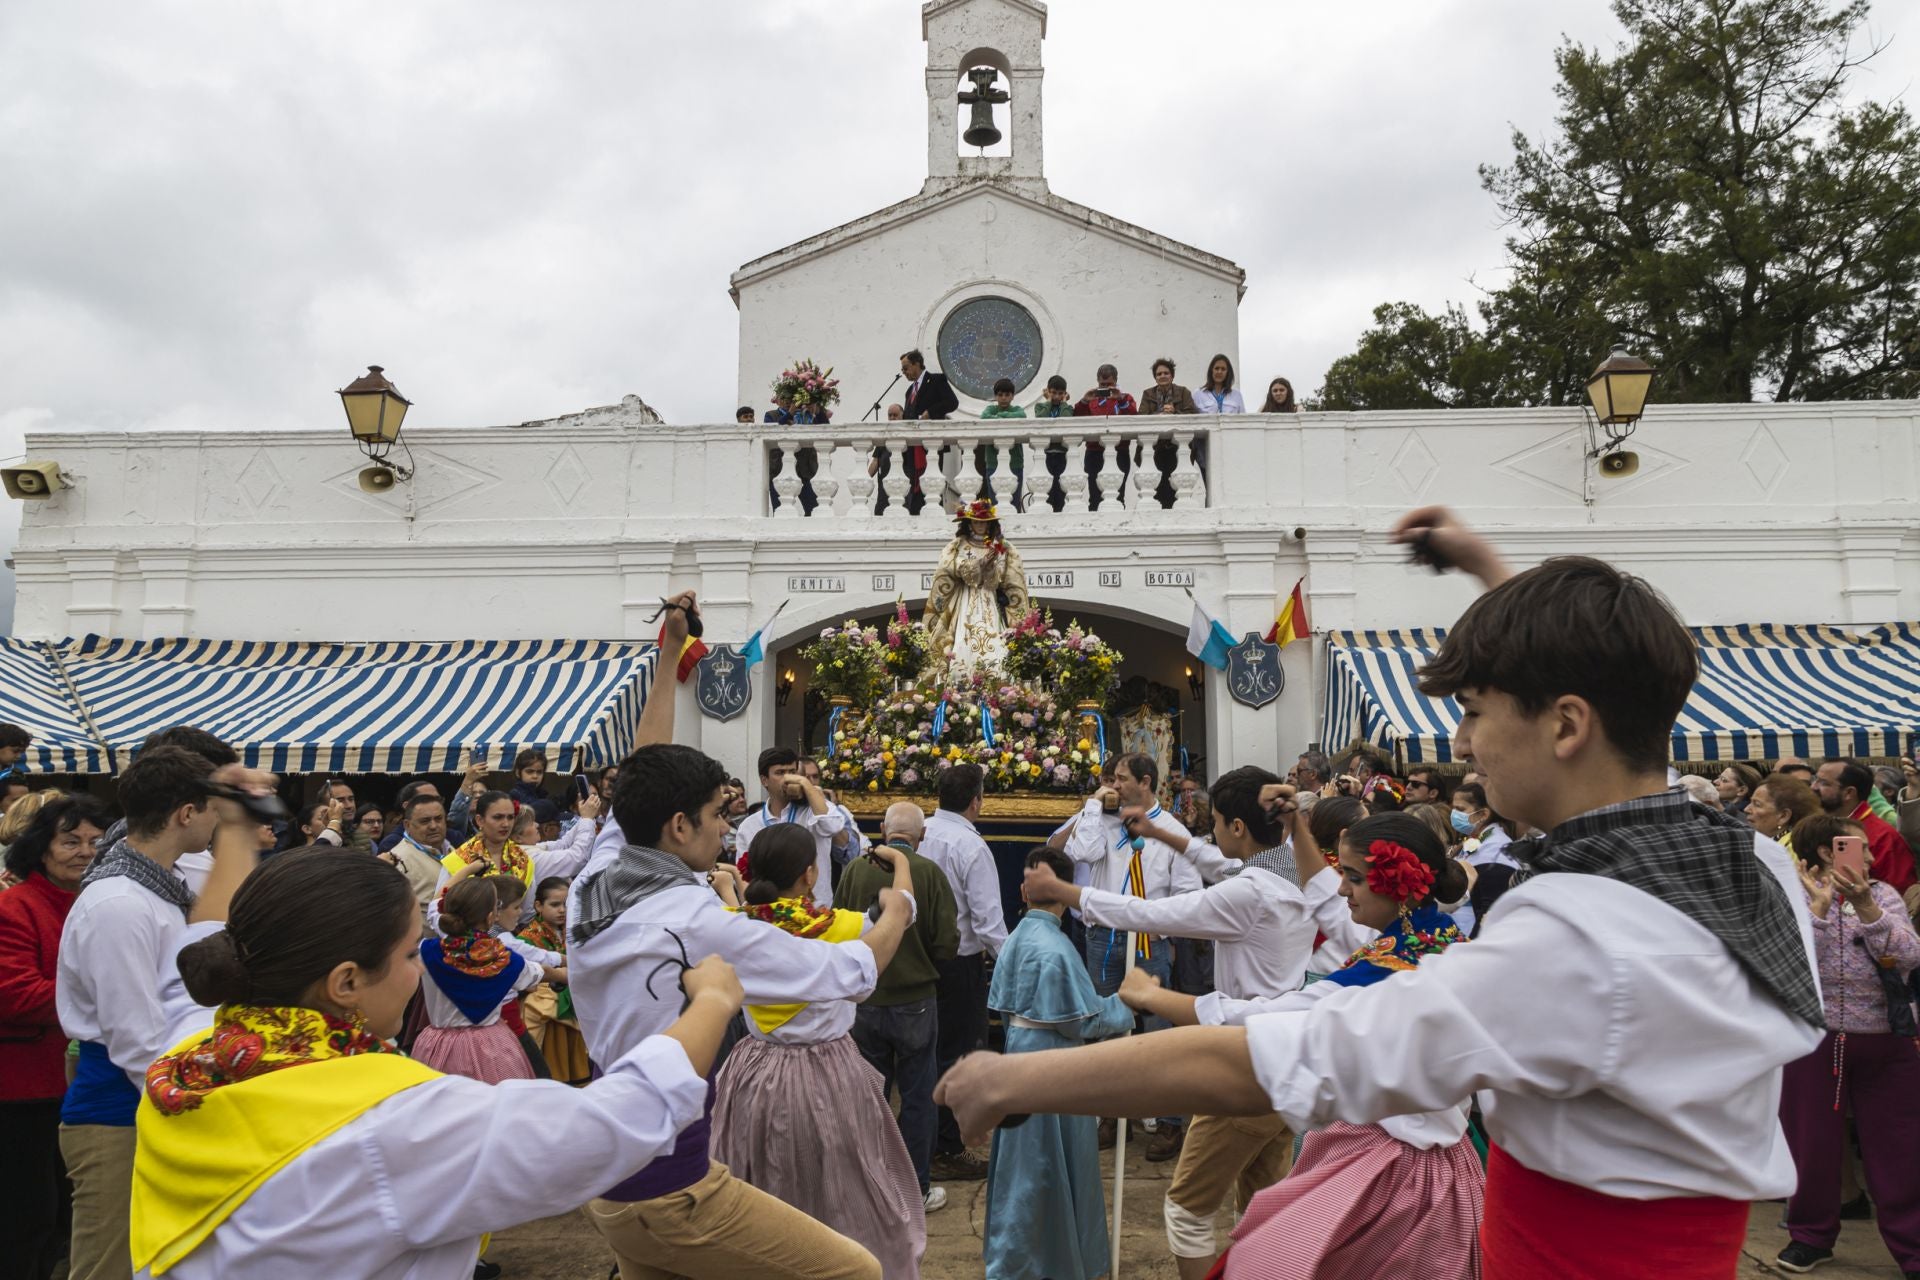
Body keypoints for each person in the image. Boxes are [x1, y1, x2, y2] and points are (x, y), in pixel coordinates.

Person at [938, 505, 1828, 1280]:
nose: (1466, 741)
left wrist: (1015, 1077)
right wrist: (1493, 575)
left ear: (1563, 723)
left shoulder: (1577, 937)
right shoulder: (1748, 864)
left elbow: (1270, 1064)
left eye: (1477, 711)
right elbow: (1617, 739)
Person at [128, 845, 737, 1279]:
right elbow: (605, 1127)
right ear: (345, 982)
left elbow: (203, 940)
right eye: (405, 956)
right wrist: (709, 1001)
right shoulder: (386, 1125)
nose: (418, 971)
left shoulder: (194, 1055)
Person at [569, 591, 914, 1280]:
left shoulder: (601, 866)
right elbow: (848, 972)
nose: (729, 828)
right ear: (678, 827)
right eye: (715, 816)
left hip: (610, 1175)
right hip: (673, 1186)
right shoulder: (698, 924)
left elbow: (647, 758)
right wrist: (899, 909)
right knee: (858, 1272)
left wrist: (671, 651)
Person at [1129, 810, 1481, 1279]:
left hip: (1397, 1176)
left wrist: (1154, 997)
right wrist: (1296, 826)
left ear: (1395, 885)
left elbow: (1265, 1015)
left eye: (1353, 877)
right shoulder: (1441, 938)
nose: (1341, 888)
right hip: (1448, 1166)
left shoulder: (1386, 971)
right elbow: (1329, 904)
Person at [1023, 767, 1312, 1279]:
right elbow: (1217, 862)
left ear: (1239, 827)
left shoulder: (1249, 895)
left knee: (1186, 1212)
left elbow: (1151, 914)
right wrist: (1161, 832)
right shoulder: (1291, 870)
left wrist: (1063, 892)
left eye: (1218, 823)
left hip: (1240, 1064)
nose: (1214, 834)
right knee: (1265, 1208)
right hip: (1285, 1061)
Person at [56, 746, 269, 1280]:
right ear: (186, 813)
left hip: (151, 1096)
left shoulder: (152, 886)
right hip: (120, 1111)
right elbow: (134, 1037)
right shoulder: (120, 903)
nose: (217, 822)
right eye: (212, 809)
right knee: (108, 1266)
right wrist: (195, 1108)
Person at [712, 826, 928, 1276]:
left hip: (754, 1068)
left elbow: (739, 911)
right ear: (811, 874)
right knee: (844, 1180)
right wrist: (902, 864)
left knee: (757, 1177)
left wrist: (730, 890)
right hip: (827, 1070)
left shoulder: (737, 927)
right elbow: (901, 913)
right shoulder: (844, 927)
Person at [981, 846, 1137, 1280]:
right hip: (1053, 1067)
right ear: (1066, 894)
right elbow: (1080, 1021)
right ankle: (1048, 1262)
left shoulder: (1015, 937)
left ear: (1023, 891)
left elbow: (1006, 1004)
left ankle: (1017, 1255)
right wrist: (1128, 1004)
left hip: (1017, 1055)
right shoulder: (1056, 947)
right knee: (1047, 1168)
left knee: (1023, 1169)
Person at [1775, 812, 1920, 1275]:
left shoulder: (1883, 896)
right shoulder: (1793, 897)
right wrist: (1818, 914)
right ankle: (1810, 1237)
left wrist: (1869, 911)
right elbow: (1788, 962)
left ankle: (1913, 1246)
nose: (1872, 857)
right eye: (1860, 847)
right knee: (1811, 1143)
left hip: (1885, 1038)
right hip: (1815, 1039)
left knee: (1899, 1146)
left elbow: (1908, 956)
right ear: (1826, 851)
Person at [1063, 752, 1202, 1154]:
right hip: (1102, 937)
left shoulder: (1172, 831)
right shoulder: (1105, 824)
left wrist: (1157, 925)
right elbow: (1081, 855)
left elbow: (1189, 894)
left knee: (1158, 1029)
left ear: (1145, 782)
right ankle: (1111, 1115)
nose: (1114, 783)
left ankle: (1168, 1122)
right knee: (1106, 1028)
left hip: (1147, 938)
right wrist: (1093, 805)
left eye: (1122, 778)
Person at [0, 795, 106, 1280]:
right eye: (70, 841)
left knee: (65, 1218)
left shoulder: (98, 905)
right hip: (22, 1089)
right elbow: (14, 993)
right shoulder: (14, 907)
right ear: (42, 849)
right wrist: (103, 999)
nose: (84, 851)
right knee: (27, 1218)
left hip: (77, 1086)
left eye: (94, 841)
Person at [836, 803, 960, 1213]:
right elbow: (946, 942)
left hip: (866, 999)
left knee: (869, 1095)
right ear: (921, 835)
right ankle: (916, 1188)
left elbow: (839, 922)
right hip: (915, 1001)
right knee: (919, 1096)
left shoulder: (856, 869)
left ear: (883, 830)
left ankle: (866, 1188)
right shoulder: (927, 872)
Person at [915, 764, 1005, 1183]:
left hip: (917, 955)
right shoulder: (971, 847)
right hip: (958, 963)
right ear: (976, 801)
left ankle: (924, 1140)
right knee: (955, 1055)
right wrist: (1010, 962)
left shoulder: (921, 830)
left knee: (924, 1054)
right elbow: (988, 922)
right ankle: (947, 1147)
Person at [413, 876, 546, 1084]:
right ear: (491, 917)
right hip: (491, 1045)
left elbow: (433, 908)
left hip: (437, 1044)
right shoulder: (504, 959)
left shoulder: (425, 951)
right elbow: (535, 975)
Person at [735, 747, 849, 910]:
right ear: (764, 780)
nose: (788, 778)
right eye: (780, 773)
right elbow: (746, 877)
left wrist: (806, 785)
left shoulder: (814, 810)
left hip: (817, 911)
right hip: (770, 914)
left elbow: (833, 826)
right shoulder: (749, 826)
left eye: (793, 772)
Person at [924, 500, 1031, 674]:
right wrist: (978, 565)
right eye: (976, 522)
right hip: (966, 598)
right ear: (969, 523)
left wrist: (990, 568)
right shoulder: (958, 544)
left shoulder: (1000, 546)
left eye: (983, 522)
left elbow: (1002, 576)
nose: (980, 526)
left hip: (990, 598)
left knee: (996, 641)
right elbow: (950, 566)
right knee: (961, 641)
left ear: (990, 524)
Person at [516, 875, 590, 1085]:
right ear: (538, 906)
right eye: (555, 904)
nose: (562, 910)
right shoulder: (526, 939)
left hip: (576, 1003)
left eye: (566, 904)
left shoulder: (577, 931)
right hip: (548, 1011)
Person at [1813, 759, 1917, 893]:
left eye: (1824, 783)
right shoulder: (1815, 826)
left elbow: (1899, 896)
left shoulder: (1883, 837)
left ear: (1848, 793)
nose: (1813, 787)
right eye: (1816, 779)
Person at [1747, 772, 1823, 852]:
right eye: (1750, 802)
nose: (1746, 809)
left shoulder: (1792, 848)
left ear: (1783, 816)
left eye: (1757, 804)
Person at [900, 350, 957, 421]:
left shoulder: (936, 380)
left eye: (905, 368)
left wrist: (930, 412)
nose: (903, 372)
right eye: (902, 370)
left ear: (916, 364)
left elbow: (952, 402)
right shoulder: (909, 391)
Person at [1072, 363, 1137, 417]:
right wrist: (1084, 402)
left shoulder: (1126, 398)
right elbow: (1078, 418)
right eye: (1102, 384)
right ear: (1098, 380)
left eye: (1109, 384)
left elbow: (1134, 417)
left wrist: (1121, 400)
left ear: (1116, 380)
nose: (1106, 387)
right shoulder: (1091, 399)